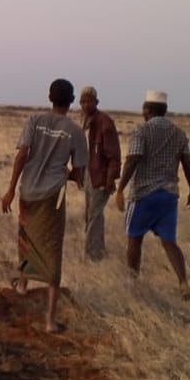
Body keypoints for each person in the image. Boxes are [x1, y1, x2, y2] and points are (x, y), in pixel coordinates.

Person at [1, 78, 89, 333]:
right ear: (72, 101)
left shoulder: (34, 120)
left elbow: (22, 155)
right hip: (52, 197)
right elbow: (79, 175)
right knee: (51, 248)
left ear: (50, 98)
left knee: (26, 237)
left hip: (27, 191)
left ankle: (22, 285)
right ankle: (50, 321)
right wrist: (65, 173)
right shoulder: (75, 131)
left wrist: (10, 190)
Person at [113, 90, 190, 300]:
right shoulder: (178, 133)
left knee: (134, 239)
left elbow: (133, 159)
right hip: (169, 195)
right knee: (169, 241)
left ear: (148, 110)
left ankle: (132, 281)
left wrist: (120, 189)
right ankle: (183, 282)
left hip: (143, 194)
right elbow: (188, 165)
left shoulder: (141, 131)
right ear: (165, 110)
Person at [78, 86, 121, 261]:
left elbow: (114, 155)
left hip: (101, 176)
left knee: (94, 216)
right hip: (89, 174)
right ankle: (98, 251)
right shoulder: (85, 121)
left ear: (97, 102)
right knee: (90, 214)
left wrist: (110, 179)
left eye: (89, 101)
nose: (86, 105)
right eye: (83, 101)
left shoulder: (105, 122)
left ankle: (92, 256)